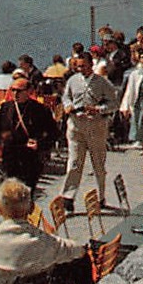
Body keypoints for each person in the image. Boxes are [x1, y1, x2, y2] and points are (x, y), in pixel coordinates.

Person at [59, 52, 118, 211]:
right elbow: (66, 97)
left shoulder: (102, 83)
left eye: (84, 66)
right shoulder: (72, 80)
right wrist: (68, 105)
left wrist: (98, 109)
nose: (81, 69)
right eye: (78, 66)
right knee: (74, 163)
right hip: (76, 126)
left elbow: (113, 103)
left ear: (91, 65)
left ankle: (101, 196)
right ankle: (68, 197)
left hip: (96, 127)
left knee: (98, 163)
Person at [0, 73, 57, 191]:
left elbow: (54, 133)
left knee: (27, 190)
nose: (15, 94)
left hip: (30, 155)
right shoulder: (6, 107)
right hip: (10, 153)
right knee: (11, 189)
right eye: (13, 90)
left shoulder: (40, 109)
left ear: (28, 91)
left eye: (19, 91)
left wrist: (40, 144)